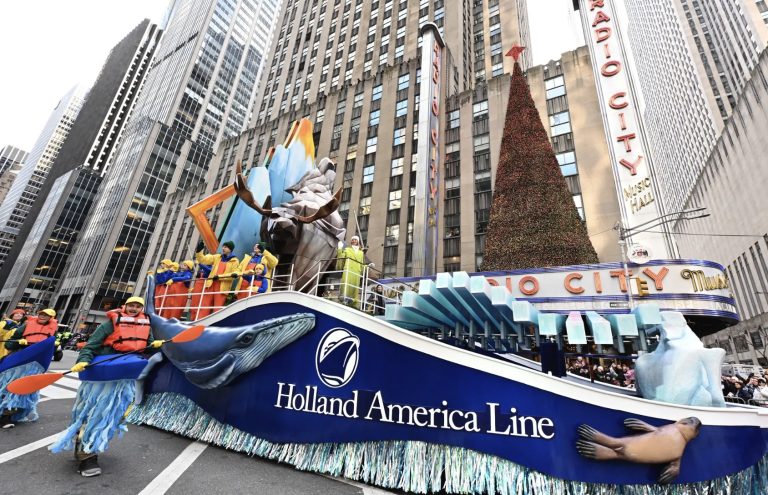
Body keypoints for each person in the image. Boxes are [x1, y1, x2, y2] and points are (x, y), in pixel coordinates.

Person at [50, 296, 164, 477]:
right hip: (103, 375)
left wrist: (153, 345)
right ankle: (86, 455)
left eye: (138, 306)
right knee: (96, 413)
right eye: (131, 305)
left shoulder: (145, 325)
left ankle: (86, 445)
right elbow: (90, 347)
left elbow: (145, 347)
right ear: (125, 306)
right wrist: (83, 361)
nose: (134, 309)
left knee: (112, 415)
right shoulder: (109, 324)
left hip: (125, 377)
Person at [196, 240, 240, 314]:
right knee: (204, 306)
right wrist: (199, 251)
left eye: (225, 247)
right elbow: (203, 260)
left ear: (230, 249)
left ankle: (214, 324)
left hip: (222, 288)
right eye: (223, 246)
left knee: (217, 308)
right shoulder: (217, 257)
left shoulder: (235, 261)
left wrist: (219, 277)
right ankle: (200, 323)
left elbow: (234, 274)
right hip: (211, 284)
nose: (223, 248)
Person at [336, 236, 372, 308]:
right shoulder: (347, 249)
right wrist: (340, 250)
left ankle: (353, 303)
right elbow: (341, 259)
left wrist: (367, 267)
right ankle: (343, 300)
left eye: (355, 239)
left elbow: (361, 264)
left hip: (357, 272)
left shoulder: (361, 253)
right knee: (346, 285)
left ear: (358, 241)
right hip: (348, 270)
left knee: (354, 288)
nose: (354, 241)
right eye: (352, 240)